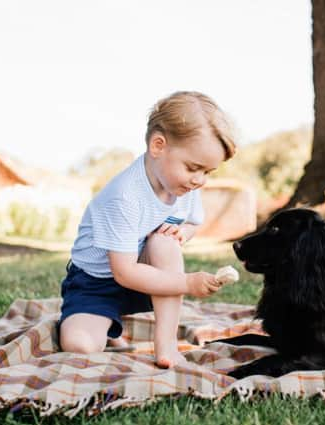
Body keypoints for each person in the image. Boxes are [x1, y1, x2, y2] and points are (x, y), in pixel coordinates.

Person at [58, 91, 236, 368]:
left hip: (147, 276)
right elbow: (124, 272)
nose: (199, 180)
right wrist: (188, 283)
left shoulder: (183, 185)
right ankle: (102, 324)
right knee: (81, 346)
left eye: (208, 172)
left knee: (165, 243)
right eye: (194, 168)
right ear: (158, 145)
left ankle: (166, 345)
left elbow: (191, 223)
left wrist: (181, 234)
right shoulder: (124, 196)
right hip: (96, 282)